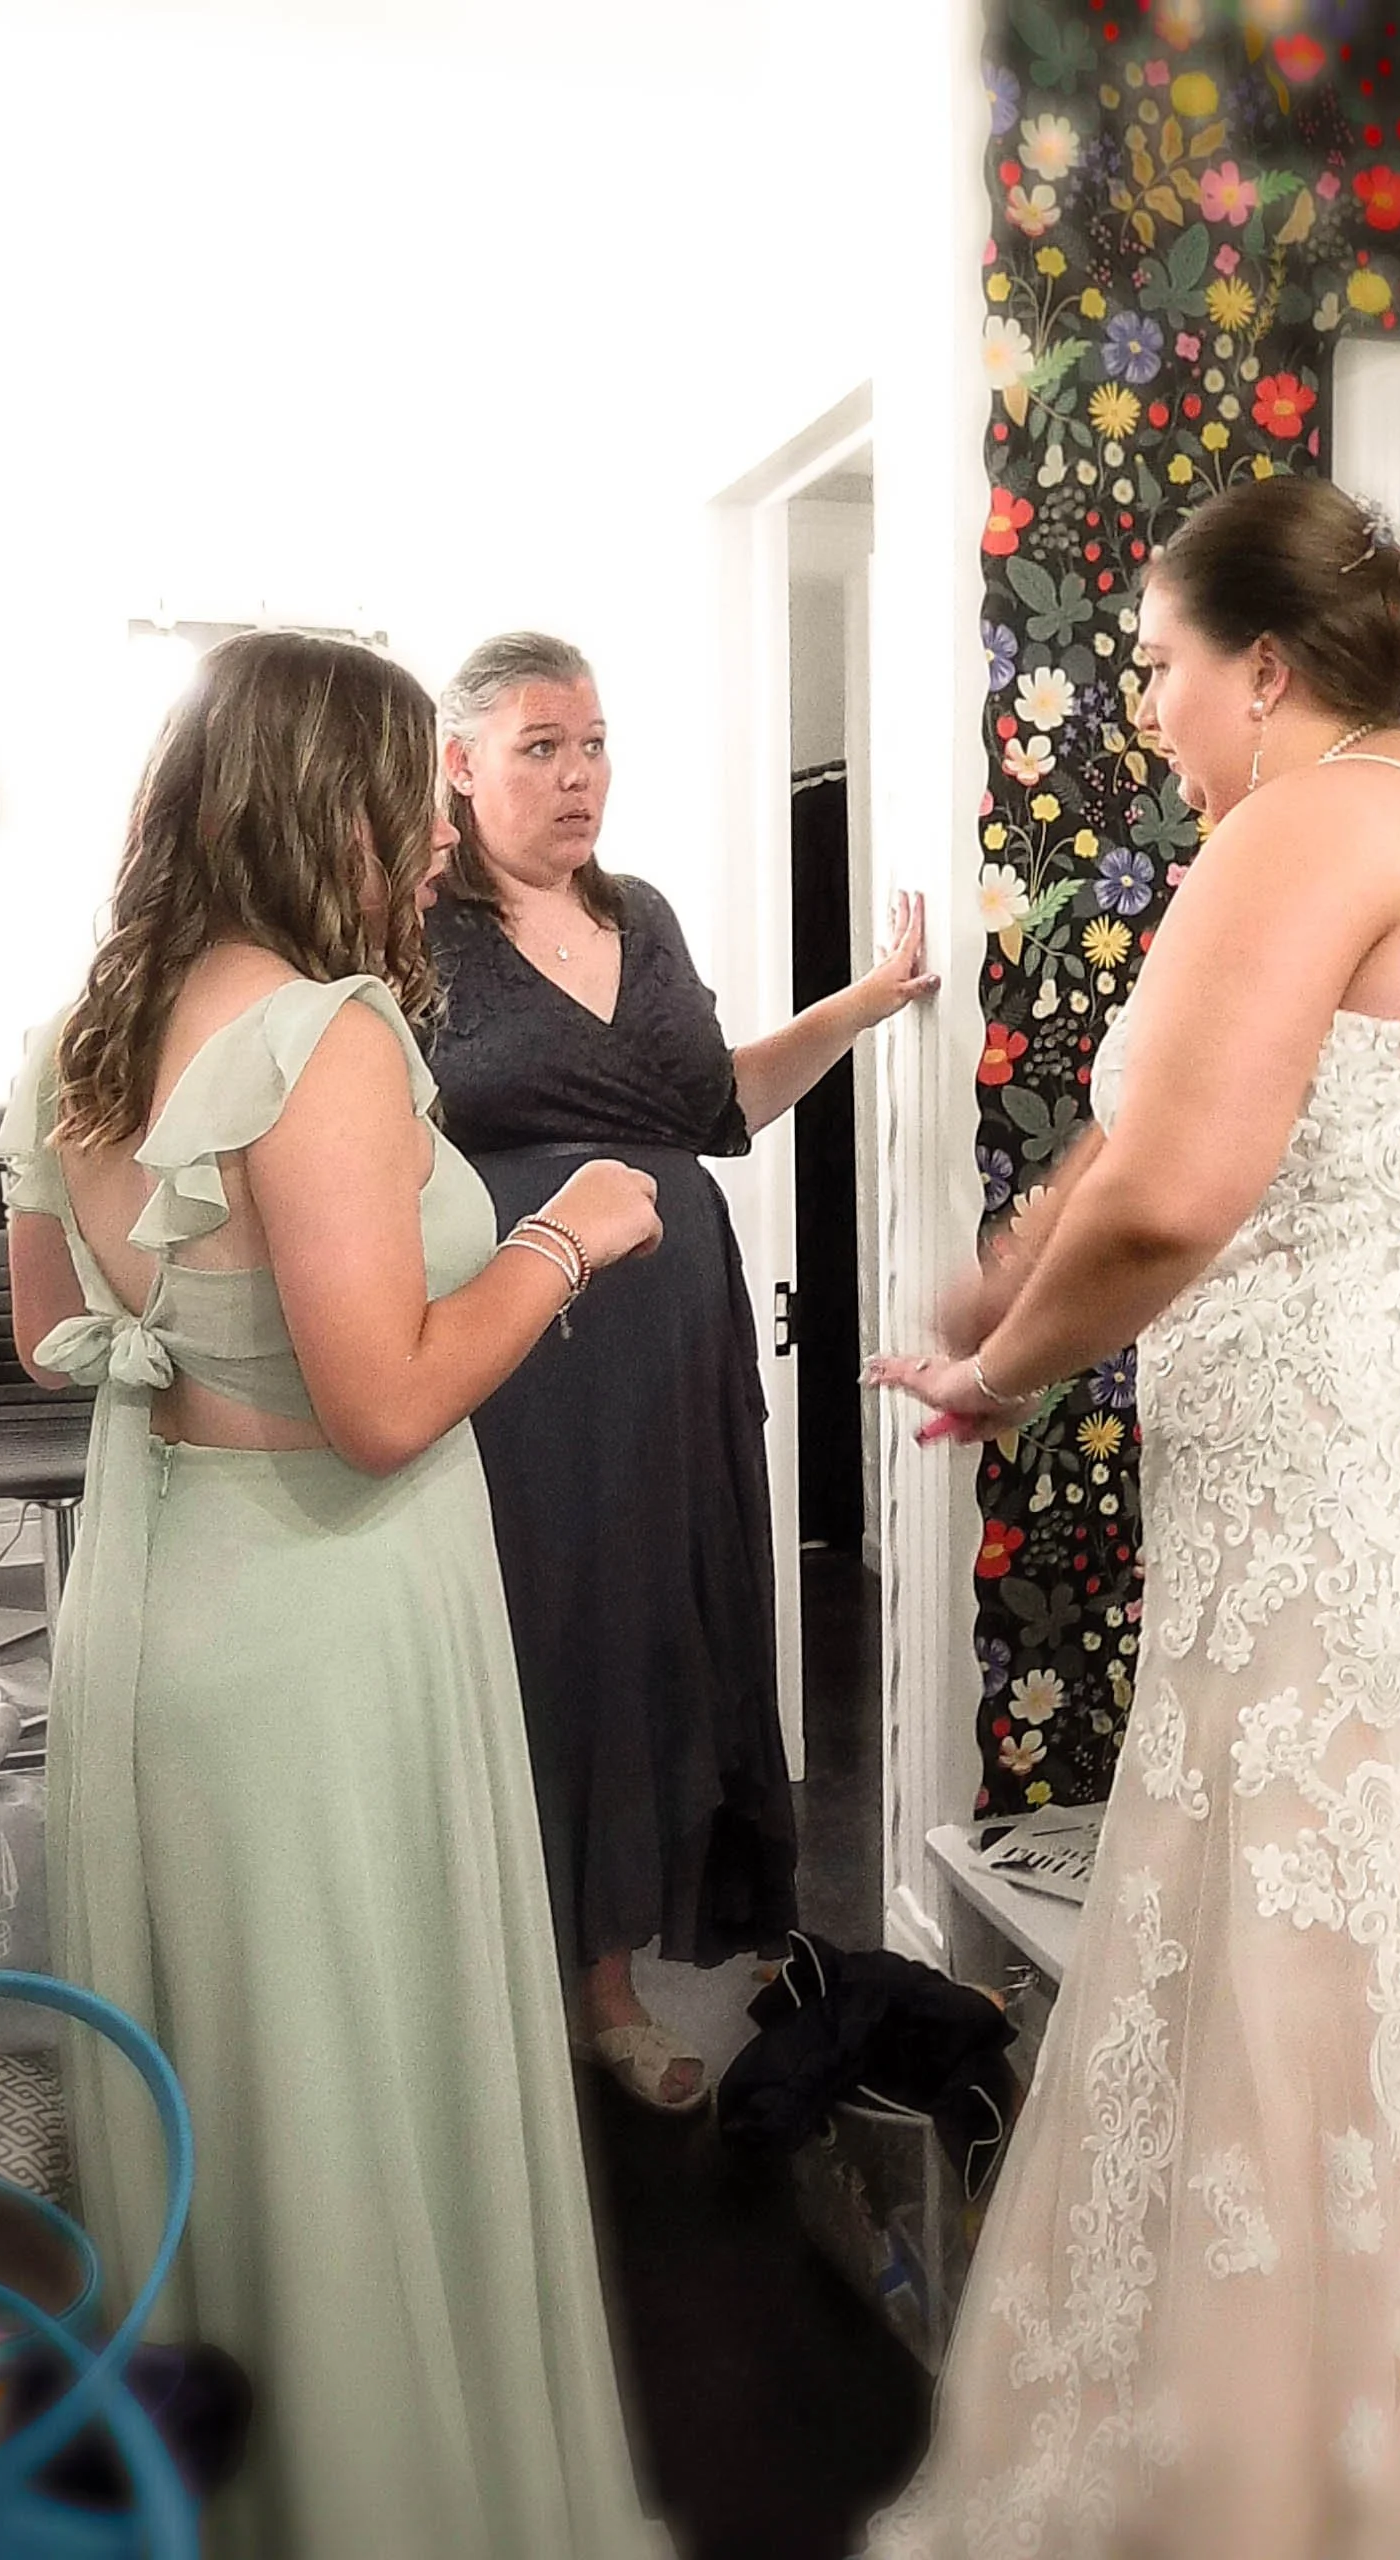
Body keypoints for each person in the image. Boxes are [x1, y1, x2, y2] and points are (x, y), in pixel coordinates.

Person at [866, 475, 1400, 2558]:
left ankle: (1296, 2476)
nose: (1151, 707)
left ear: (1267, 668)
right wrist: (1024, 1268)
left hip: (1389, 1499)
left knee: (1326, 1963)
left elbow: (1180, 1190)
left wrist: (999, 1376)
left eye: (1165, 666)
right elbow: (1196, 1155)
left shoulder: (1302, 826)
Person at [0, 631, 673, 2560]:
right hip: (325, 1630)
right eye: (407, 802)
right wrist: (565, 1236)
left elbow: (57, 1334)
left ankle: (256, 2494)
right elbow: (382, 1405)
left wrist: (189, 1354)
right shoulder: (326, 1036)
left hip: (168, 1626)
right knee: (359, 2084)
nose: (425, 848)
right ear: (344, 806)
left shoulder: (83, 1038)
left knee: (247, 2087)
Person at [428, 631, 937, 2111]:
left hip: (680, 1335)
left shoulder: (639, 916)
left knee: (673, 1625)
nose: (579, 774)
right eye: (540, 746)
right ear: (460, 765)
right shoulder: (416, 932)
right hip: (527, 1347)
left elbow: (722, 1105)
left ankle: (636, 1960)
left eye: (592, 743)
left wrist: (865, 1001)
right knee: (553, 1640)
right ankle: (550, 1976)